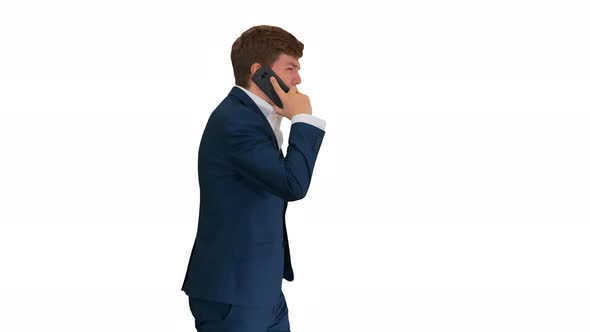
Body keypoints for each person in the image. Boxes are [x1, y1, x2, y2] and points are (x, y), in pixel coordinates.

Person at [181, 25, 326, 331]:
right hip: (234, 292)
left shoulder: (254, 117)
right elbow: (292, 184)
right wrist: (303, 119)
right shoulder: (236, 121)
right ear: (260, 72)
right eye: (290, 68)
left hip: (262, 288)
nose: (298, 79)